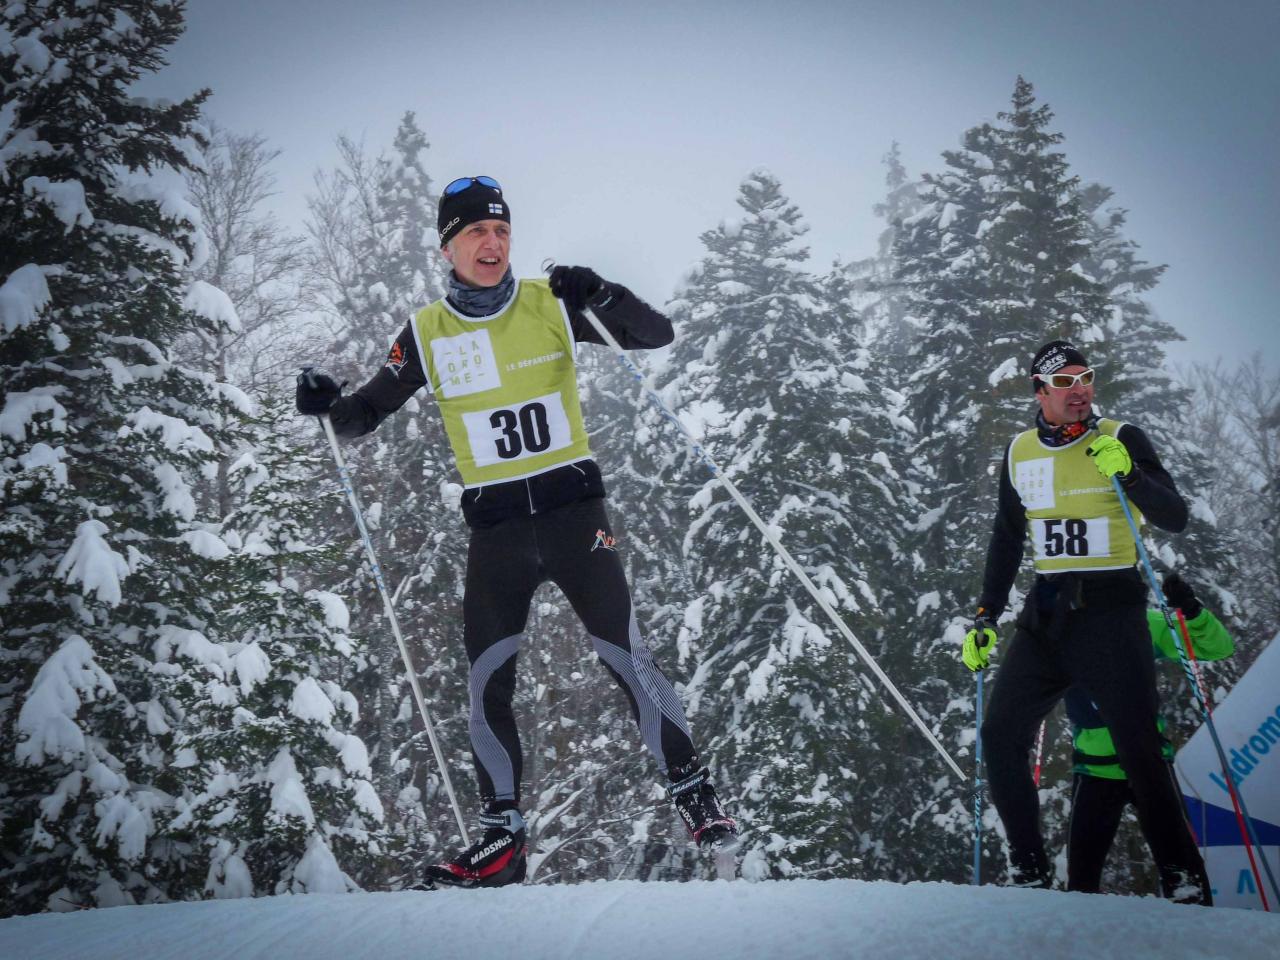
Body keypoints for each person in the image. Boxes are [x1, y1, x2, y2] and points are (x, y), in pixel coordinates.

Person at [296, 175, 736, 888]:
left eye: (501, 231)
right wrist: (324, 404)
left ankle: (698, 800)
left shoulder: (552, 304)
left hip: (574, 517)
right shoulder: (426, 333)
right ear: (448, 247)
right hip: (497, 529)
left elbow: (656, 335)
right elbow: (361, 416)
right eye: (475, 232)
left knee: (629, 659)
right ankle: (502, 840)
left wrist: (600, 293)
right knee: (485, 682)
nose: (492, 243)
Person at [960, 339, 1212, 904]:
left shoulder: (1120, 438)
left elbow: (1175, 518)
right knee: (1000, 735)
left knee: (1139, 750)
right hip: (1048, 610)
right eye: (1066, 383)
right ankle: (1028, 870)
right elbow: (1006, 539)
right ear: (1041, 392)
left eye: (1086, 378)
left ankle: (1184, 878)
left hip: (1111, 607)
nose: (1080, 391)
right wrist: (985, 616)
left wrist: (1132, 478)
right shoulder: (1020, 451)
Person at [1065, 572, 1234, 893]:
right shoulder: (1062, 628)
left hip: (1148, 761)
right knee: (1080, 885)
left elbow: (1219, 648)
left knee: (1185, 880)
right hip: (1094, 769)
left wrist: (1192, 612)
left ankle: (1200, 938)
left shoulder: (1143, 622)